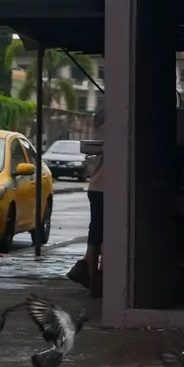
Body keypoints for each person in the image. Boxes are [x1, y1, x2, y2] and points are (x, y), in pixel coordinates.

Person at [81, 106, 105, 298]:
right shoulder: (123, 126)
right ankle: (101, 279)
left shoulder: (100, 124)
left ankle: (93, 281)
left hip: (96, 187)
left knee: (95, 235)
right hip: (109, 189)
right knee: (108, 236)